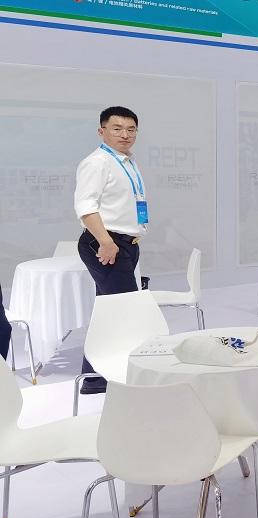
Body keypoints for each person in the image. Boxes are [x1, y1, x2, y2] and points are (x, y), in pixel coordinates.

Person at [73, 106, 148, 395]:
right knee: (124, 313)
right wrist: (106, 242)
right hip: (107, 244)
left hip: (124, 244)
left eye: (131, 129)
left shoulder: (127, 161)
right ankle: (115, 376)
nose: (125, 134)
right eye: (117, 128)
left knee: (109, 313)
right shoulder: (98, 162)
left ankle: (95, 377)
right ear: (102, 131)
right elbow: (85, 207)